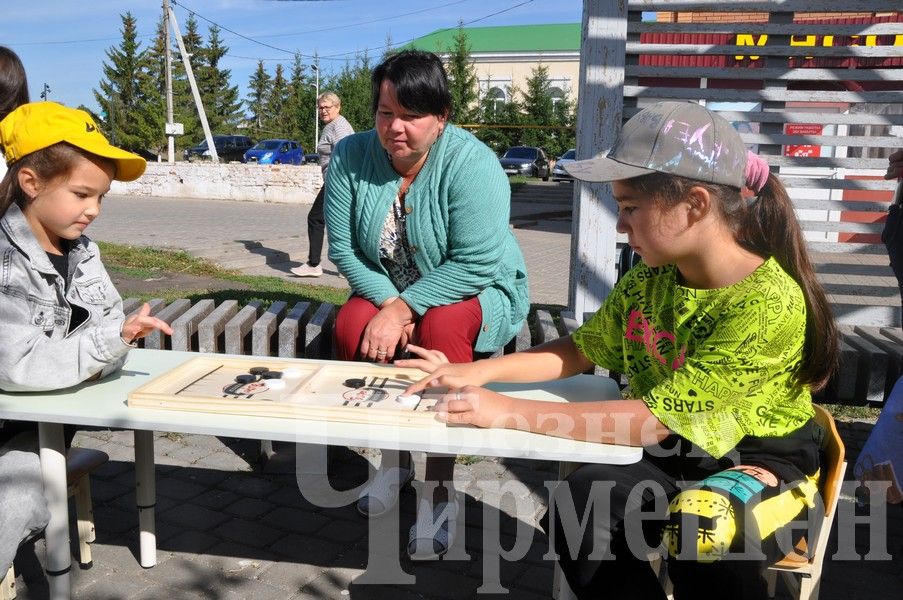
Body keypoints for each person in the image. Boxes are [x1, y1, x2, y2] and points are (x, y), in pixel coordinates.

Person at [400, 101, 839, 598]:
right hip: (672, 460)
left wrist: (504, 410)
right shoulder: (649, 280)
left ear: (695, 205)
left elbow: (655, 419)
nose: (620, 226)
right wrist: (475, 373)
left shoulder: (767, 302)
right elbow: (578, 351)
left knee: (703, 529)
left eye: (630, 208)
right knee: (579, 505)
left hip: (760, 465)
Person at [324, 50, 529, 559]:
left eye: (412, 115)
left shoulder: (472, 163)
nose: (396, 127)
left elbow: (477, 263)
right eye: (385, 112)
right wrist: (388, 303)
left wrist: (402, 310)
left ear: (441, 117)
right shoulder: (351, 155)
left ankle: (439, 489)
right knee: (352, 327)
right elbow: (344, 248)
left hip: (471, 290)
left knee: (441, 330)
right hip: (386, 286)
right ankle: (394, 462)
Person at [0, 101, 172, 578]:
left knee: (12, 498)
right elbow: (17, 369)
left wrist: (110, 342)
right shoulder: (4, 261)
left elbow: (107, 339)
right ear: (31, 182)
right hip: (19, 421)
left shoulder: (83, 253)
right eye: (81, 194)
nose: (93, 210)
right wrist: (103, 344)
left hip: (37, 432)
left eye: (101, 198)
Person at [290, 91, 354, 278]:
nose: (323, 111)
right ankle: (345, 268)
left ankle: (314, 264)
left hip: (337, 182)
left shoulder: (338, 126)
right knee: (339, 222)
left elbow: (346, 153)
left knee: (316, 219)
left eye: (327, 107)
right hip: (337, 181)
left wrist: (336, 181)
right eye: (321, 107)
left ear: (338, 107)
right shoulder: (333, 125)